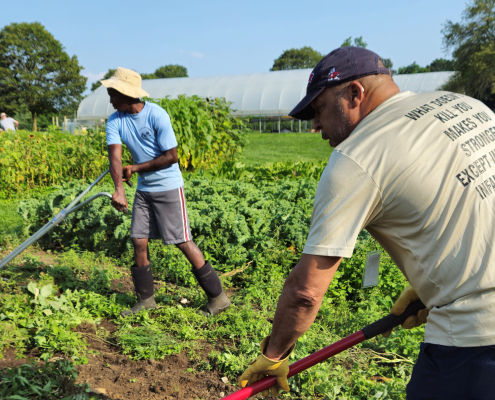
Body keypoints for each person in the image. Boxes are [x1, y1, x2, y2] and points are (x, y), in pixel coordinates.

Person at [237, 46, 495, 399]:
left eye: (319, 109)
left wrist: (274, 354)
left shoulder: (357, 157)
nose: (315, 126)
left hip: (477, 337)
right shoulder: (466, 106)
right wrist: (432, 285)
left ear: (354, 94)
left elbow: (305, 292)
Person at [102, 67, 231, 317]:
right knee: (139, 240)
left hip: (168, 187)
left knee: (182, 241)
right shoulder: (115, 120)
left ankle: (218, 298)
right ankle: (146, 300)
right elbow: (115, 158)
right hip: (144, 190)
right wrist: (119, 189)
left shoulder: (156, 115)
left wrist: (136, 167)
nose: (110, 100)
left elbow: (172, 157)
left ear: (125, 93)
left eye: (112, 94)